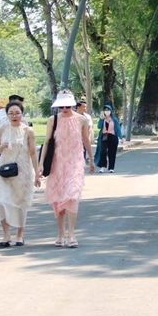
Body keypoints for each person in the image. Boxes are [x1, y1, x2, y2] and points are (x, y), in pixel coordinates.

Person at [39, 90, 95, 248]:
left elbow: (85, 140)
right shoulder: (53, 120)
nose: (64, 108)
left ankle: (71, 234)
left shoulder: (82, 120)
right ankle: (61, 233)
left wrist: (91, 159)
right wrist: (41, 163)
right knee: (58, 198)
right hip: (58, 162)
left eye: (67, 105)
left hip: (75, 162)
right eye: (61, 105)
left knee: (72, 195)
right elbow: (47, 142)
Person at [0, 101, 41, 247]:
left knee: (20, 202)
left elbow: (32, 153)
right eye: (11, 113)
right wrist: (2, 146)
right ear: (6, 115)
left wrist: (37, 172)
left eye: (17, 113)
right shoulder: (2, 129)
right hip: (4, 170)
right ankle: (6, 235)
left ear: (22, 114)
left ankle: (20, 234)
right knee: (1, 200)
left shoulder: (28, 131)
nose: (14, 116)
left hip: (22, 171)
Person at [94, 104, 122, 173]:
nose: (107, 111)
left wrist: (121, 137)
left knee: (112, 152)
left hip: (113, 137)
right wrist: (101, 119)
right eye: (105, 110)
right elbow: (99, 127)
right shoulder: (102, 119)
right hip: (104, 137)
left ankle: (111, 168)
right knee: (103, 151)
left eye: (108, 110)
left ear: (111, 111)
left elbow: (118, 128)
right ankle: (102, 166)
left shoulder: (114, 119)